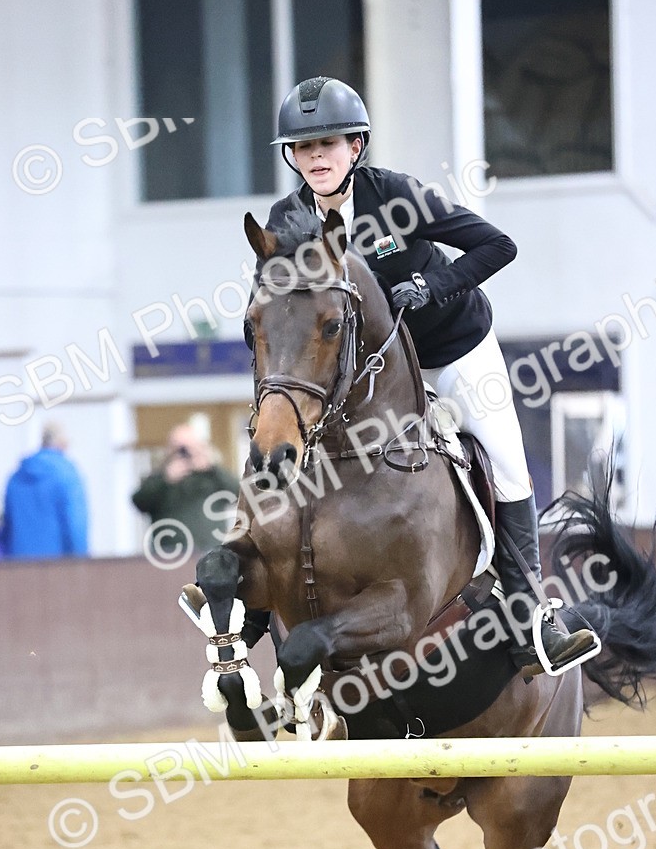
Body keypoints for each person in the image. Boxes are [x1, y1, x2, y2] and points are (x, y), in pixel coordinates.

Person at [245, 75, 598, 676]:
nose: (317, 158)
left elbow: (496, 245)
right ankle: (249, 609)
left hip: (451, 349)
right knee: (283, 440)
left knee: (505, 458)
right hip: (364, 374)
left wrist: (433, 286)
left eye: (329, 144)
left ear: (355, 148)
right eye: (305, 149)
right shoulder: (288, 218)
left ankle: (530, 612)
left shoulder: (396, 197)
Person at [132, 424, 240, 556]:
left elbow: (238, 493)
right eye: (179, 448)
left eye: (190, 447)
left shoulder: (212, 477)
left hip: (210, 551)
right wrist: (166, 479)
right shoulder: (160, 477)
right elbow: (139, 501)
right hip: (169, 554)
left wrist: (211, 467)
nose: (185, 453)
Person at [3, 422, 88, 558]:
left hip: (19, 563)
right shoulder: (67, 474)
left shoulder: (16, 477)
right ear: (62, 443)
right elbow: (75, 523)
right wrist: (82, 563)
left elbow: (7, 525)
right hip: (57, 565)